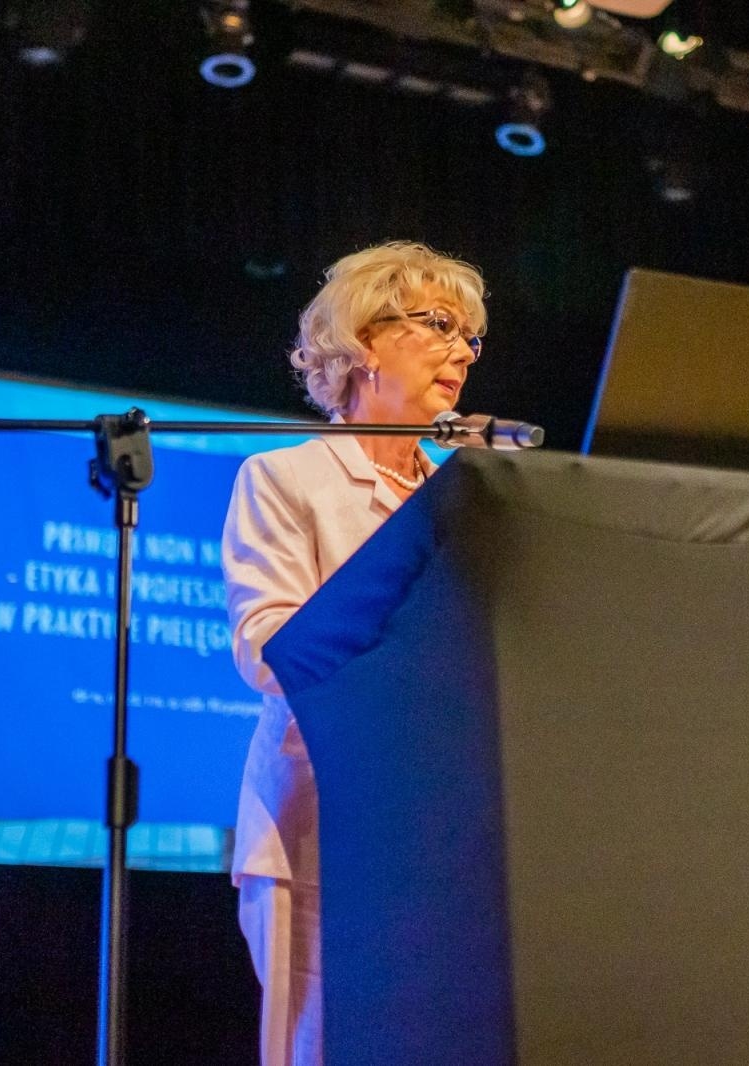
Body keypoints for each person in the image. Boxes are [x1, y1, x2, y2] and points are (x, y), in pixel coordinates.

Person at [221, 241, 487, 1065]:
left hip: (440, 829)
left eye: (471, 337)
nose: (462, 352)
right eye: (439, 325)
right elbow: (267, 649)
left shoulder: (462, 495)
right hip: (318, 826)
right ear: (363, 341)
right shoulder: (285, 477)